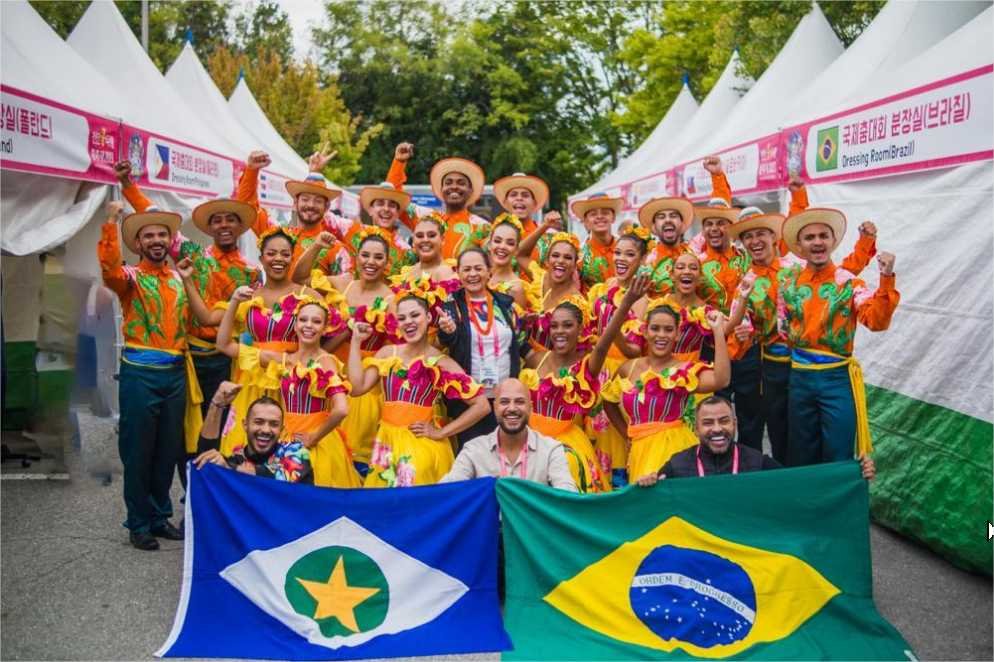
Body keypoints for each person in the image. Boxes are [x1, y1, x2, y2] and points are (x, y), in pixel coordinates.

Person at [114, 161, 262, 453]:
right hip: (189, 357)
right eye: (216, 220)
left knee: (223, 425)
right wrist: (128, 185)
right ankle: (190, 490)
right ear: (208, 227)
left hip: (224, 358)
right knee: (185, 431)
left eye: (230, 219)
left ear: (240, 225)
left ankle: (216, 486)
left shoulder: (253, 273)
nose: (223, 225)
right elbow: (155, 219)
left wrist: (252, 172)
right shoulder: (194, 256)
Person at [727, 206, 877, 463]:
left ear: (775, 237)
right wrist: (741, 334)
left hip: (812, 366)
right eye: (748, 236)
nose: (755, 240)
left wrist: (865, 244)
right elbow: (739, 328)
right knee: (782, 432)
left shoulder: (795, 268)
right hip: (774, 368)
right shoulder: (746, 283)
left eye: (761, 233)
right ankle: (791, 484)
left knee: (823, 434)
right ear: (742, 244)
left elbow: (841, 274)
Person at [183, 227, 330, 455]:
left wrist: (309, 365)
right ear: (261, 258)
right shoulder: (249, 297)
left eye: (284, 254)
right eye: (271, 253)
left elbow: (331, 333)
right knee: (246, 445)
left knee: (291, 451)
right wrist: (188, 281)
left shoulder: (308, 296)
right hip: (253, 379)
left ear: (292, 256)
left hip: (293, 381)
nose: (278, 259)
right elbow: (206, 318)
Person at [97, 200, 188, 550]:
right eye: (148, 235)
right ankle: (137, 522)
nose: (155, 239)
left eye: (161, 234)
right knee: (138, 450)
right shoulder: (129, 278)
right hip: (140, 374)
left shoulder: (180, 278)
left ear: (169, 240)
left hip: (176, 374)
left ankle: (158, 515)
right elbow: (108, 269)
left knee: (167, 449)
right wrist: (110, 221)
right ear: (138, 244)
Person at [779, 208, 899, 466]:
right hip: (799, 377)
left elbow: (876, 321)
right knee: (801, 451)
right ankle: (807, 504)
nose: (818, 242)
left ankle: (837, 506)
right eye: (810, 237)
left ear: (833, 242)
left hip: (836, 380)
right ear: (799, 246)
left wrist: (886, 278)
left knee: (839, 451)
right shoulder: (788, 284)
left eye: (824, 235)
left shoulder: (849, 283)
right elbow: (783, 326)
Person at [212, 286, 359, 488]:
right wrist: (235, 301)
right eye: (303, 320)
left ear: (324, 328)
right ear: (295, 325)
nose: (309, 326)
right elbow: (224, 345)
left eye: (316, 321)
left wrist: (313, 437)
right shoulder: (284, 360)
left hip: (317, 444)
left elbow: (341, 409)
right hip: (286, 438)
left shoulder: (326, 361)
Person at [520, 274, 649, 492]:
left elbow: (603, 344)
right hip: (530, 444)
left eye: (568, 325)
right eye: (555, 326)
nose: (560, 331)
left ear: (580, 330)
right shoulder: (535, 360)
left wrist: (627, 302)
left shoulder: (585, 367)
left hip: (567, 448)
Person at [349, 293, 492, 487]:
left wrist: (441, 433)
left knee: (413, 504)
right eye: (402, 318)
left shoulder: (440, 362)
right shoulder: (386, 354)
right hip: (385, 444)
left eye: (415, 315)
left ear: (428, 318)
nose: (408, 322)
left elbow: (482, 405)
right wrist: (356, 342)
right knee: (383, 505)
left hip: (420, 446)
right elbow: (357, 388)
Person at [293, 229, 397, 476]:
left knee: (360, 454)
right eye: (365, 255)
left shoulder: (393, 299)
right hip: (330, 375)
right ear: (356, 256)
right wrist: (317, 246)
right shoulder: (343, 283)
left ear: (386, 262)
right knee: (327, 445)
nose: (371, 262)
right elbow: (300, 278)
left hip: (366, 385)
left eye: (378, 257)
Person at [602, 300, 730, 482]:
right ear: (645, 331)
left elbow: (721, 379)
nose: (661, 335)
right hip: (639, 450)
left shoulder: (684, 370)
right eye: (655, 328)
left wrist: (717, 330)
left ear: (677, 334)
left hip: (674, 450)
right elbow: (608, 401)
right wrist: (626, 434)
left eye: (669, 330)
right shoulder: (628, 368)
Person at [634, 395, 876, 483]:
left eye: (724, 421)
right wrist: (647, 484)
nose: (717, 429)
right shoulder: (678, 465)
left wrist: (854, 473)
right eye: (708, 423)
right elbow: (649, 507)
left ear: (735, 424)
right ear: (695, 430)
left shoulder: (757, 463)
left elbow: (802, 484)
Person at [438, 247, 523, 447]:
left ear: (489, 271)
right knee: (473, 457)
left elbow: (520, 343)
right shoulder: (452, 305)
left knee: (503, 457)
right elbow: (448, 339)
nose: (473, 274)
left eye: (478, 268)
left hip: (503, 399)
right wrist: (448, 331)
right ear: (458, 272)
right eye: (466, 269)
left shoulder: (505, 304)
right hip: (470, 402)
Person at [441, 378, 577, 491]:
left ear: (531, 408)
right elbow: (447, 490)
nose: (512, 408)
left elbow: (567, 496)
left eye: (519, 402)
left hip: (530, 524)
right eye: (504, 402)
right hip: (492, 524)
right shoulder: (474, 450)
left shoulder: (551, 450)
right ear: (495, 407)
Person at [235, 150, 352, 274]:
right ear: (295, 203)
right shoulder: (276, 234)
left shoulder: (334, 248)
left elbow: (345, 287)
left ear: (327, 207)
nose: (311, 205)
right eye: (305, 199)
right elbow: (247, 207)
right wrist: (251, 171)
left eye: (318, 201)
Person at [386, 142, 491, 259]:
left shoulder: (482, 227)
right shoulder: (425, 218)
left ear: (470, 190)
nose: (454, 186)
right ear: (441, 190)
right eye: (448, 183)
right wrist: (399, 163)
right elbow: (393, 199)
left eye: (461, 183)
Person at [193, 383, 314, 484]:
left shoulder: (296, 452)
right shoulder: (236, 459)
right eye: (258, 422)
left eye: (274, 424)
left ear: (281, 430)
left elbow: (280, 479)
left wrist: (230, 469)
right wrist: (217, 405)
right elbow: (204, 459)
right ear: (245, 425)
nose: (266, 430)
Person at [523, 231, 583, 352]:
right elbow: (520, 254)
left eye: (567, 257)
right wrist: (544, 226)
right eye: (555, 255)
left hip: (548, 365)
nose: (560, 260)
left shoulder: (577, 302)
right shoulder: (539, 277)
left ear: (575, 266)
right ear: (547, 261)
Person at [638, 195, 695, 295]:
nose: (668, 220)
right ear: (654, 227)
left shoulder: (695, 257)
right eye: (661, 217)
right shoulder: (646, 262)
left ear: (682, 224)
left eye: (673, 216)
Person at [492, 172, 552, 260]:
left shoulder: (546, 239)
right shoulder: (492, 235)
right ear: (505, 203)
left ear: (534, 203)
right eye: (513, 195)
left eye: (525, 195)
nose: (519, 198)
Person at [570, 193, 623, 287]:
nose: (599, 217)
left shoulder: (626, 249)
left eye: (605, 213)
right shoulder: (578, 255)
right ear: (585, 221)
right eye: (593, 214)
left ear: (613, 217)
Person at [486, 213, 529, 307]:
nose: (502, 247)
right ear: (489, 245)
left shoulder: (516, 289)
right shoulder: (481, 277)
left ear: (516, 249)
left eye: (510, 243)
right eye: (497, 241)